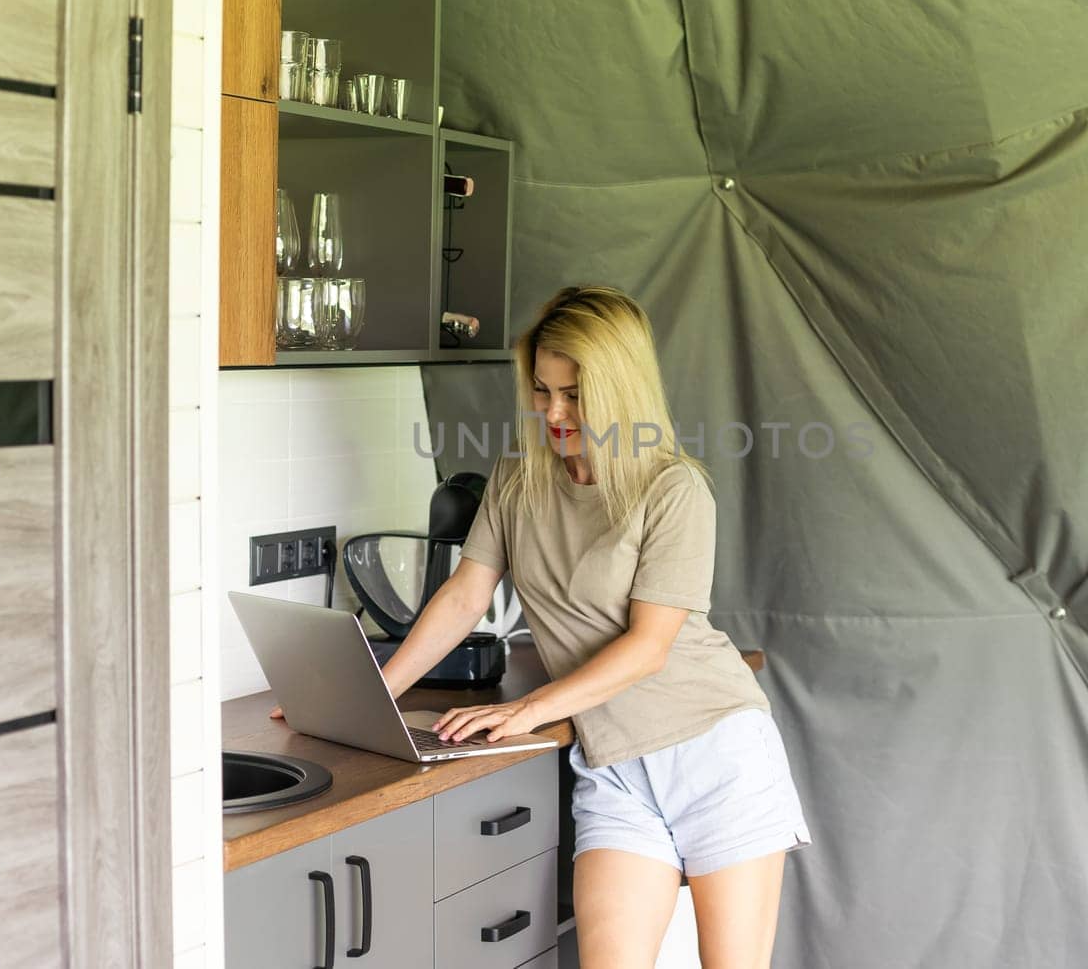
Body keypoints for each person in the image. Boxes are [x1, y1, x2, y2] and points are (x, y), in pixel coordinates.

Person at [284, 285, 811, 967]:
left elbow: (649, 647)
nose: (554, 413)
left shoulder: (674, 489)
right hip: (616, 768)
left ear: (621, 391)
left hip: (715, 754)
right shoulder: (519, 473)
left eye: (574, 394)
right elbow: (463, 596)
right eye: (541, 390)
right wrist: (367, 695)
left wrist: (529, 710)